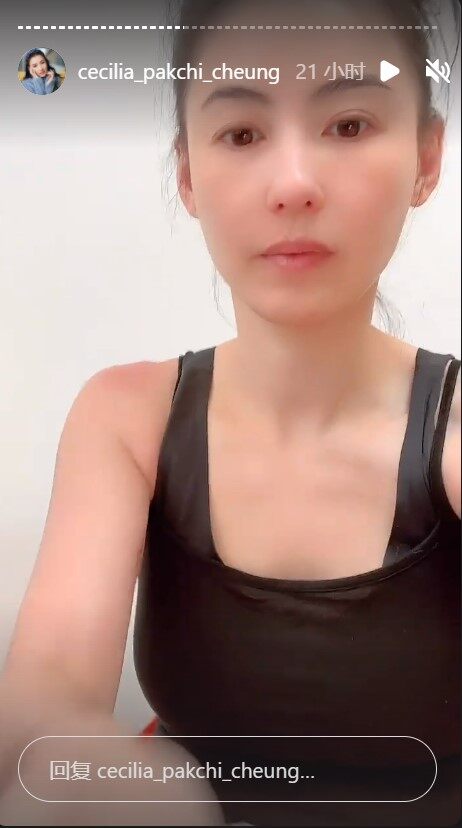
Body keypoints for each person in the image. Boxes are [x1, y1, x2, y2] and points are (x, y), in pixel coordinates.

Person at [0, 0, 460, 826]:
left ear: (427, 157)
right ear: (188, 175)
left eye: (349, 125)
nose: (294, 185)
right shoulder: (127, 418)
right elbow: (41, 715)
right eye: (242, 134)